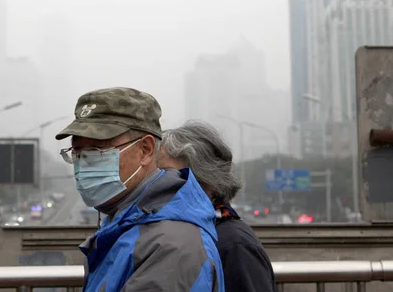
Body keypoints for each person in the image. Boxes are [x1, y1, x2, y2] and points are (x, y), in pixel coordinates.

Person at [56, 87, 224, 292]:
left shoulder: (171, 247)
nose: (83, 165)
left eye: (97, 151)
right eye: (78, 153)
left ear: (145, 150)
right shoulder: (127, 224)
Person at [158, 121, 277, 292]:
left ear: (207, 180)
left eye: (169, 175)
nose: (158, 184)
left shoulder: (234, 245)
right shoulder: (175, 232)